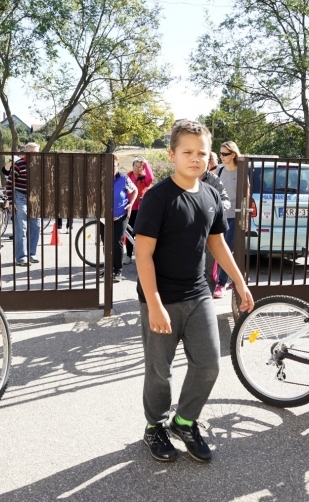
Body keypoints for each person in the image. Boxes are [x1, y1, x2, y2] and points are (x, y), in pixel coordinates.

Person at [135, 119, 254, 463]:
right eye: (187, 152)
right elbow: (142, 255)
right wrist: (154, 304)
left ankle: (184, 421)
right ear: (172, 154)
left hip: (198, 293)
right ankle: (154, 426)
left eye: (202, 153)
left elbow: (217, 244)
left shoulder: (211, 195)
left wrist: (240, 281)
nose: (195, 158)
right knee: (160, 370)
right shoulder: (158, 198)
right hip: (161, 298)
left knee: (209, 364)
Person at [2, 142, 41, 266]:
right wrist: (12, 200)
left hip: (35, 198)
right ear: (26, 153)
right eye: (32, 153)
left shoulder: (40, 165)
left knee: (36, 226)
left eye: (36, 153)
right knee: (22, 227)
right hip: (20, 197)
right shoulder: (19, 164)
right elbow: (9, 183)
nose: (34, 155)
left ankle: (31, 254)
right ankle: (21, 257)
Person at [213, 140, 242, 298]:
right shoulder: (219, 169)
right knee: (221, 250)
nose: (221, 156)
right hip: (220, 215)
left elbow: (247, 192)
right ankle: (237, 276)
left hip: (236, 215)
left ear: (233, 154)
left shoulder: (241, 170)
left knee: (227, 249)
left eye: (224, 154)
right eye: (220, 153)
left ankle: (221, 284)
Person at [200, 154, 231, 293]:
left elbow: (225, 200)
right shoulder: (185, 178)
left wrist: (213, 210)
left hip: (210, 231)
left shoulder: (213, 179)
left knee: (209, 267)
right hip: (188, 232)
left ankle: (208, 298)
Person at [111, 154, 138, 282]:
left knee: (117, 241)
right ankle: (109, 267)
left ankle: (118, 271)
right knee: (106, 243)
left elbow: (134, 190)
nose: (111, 169)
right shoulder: (100, 177)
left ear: (117, 166)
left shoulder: (123, 178)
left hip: (121, 214)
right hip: (104, 216)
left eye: (114, 166)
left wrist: (130, 204)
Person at [125, 156, 154, 265]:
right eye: (135, 166)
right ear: (132, 167)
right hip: (130, 209)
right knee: (129, 233)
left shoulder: (144, 178)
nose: (137, 168)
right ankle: (128, 255)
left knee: (141, 233)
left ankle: (141, 256)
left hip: (142, 209)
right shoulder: (127, 177)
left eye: (140, 167)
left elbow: (151, 178)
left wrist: (146, 164)